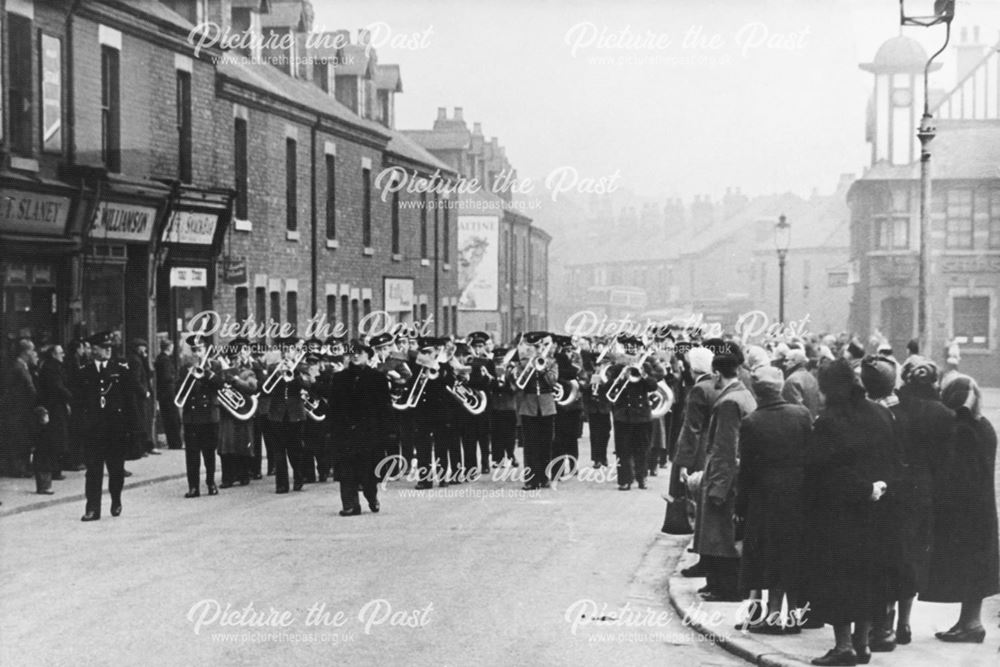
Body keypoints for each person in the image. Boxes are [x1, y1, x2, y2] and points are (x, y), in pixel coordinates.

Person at [803, 359, 898, 666]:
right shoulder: (881, 413)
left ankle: (844, 646)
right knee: (870, 575)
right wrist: (879, 487)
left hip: (841, 513)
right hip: (879, 510)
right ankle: (863, 643)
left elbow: (824, 470)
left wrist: (862, 489)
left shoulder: (829, 420)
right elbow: (895, 459)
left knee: (841, 577)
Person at [923, 374, 999, 644]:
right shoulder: (984, 425)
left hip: (965, 510)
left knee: (969, 565)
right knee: (975, 566)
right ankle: (968, 622)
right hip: (981, 509)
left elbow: (954, 473)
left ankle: (971, 624)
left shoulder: (962, 429)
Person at [735, 365, 811, 633]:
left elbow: (746, 469)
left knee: (768, 556)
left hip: (764, 498)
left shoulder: (752, 422)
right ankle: (791, 615)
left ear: (757, 391)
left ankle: (773, 615)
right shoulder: (801, 415)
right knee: (792, 554)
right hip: (798, 496)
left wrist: (740, 506)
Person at [693, 339, 756, 602]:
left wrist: (717, 487)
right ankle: (719, 585)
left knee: (721, 535)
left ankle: (726, 588)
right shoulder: (744, 395)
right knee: (725, 534)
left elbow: (725, 450)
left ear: (717, 374)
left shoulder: (728, 402)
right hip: (737, 475)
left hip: (725, 477)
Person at [78, 332, 139, 521]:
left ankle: (116, 500)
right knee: (93, 471)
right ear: (94, 350)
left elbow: (130, 400)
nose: (108, 351)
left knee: (116, 470)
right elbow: (79, 403)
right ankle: (93, 509)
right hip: (94, 431)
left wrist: (135, 429)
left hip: (116, 429)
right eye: (104, 348)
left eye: (109, 348)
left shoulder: (120, 369)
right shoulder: (84, 371)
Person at [329, 340, 390, 516]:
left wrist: (387, 432)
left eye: (360, 352)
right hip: (346, 433)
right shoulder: (339, 378)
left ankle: (371, 497)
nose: (355, 355)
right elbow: (333, 406)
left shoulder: (377, 378)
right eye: (352, 353)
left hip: (369, 433)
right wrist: (332, 429)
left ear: (368, 356)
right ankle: (350, 505)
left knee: (368, 472)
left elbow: (385, 407)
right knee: (347, 470)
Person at [674, 344, 717, 578]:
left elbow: (691, 430)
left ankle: (703, 556)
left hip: (701, 451)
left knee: (699, 500)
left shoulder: (699, 389)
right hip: (712, 449)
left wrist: (682, 462)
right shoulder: (717, 384)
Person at [602, 335, 666, 491]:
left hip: (642, 414)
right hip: (623, 414)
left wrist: (643, 374)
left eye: (635, 347)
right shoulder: (617, 367)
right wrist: (620, 377)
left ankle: (642, 477)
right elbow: (606, 388)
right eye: (629, 347)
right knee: (623, 449)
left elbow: (652, 386)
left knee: (642, 449)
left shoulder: (646, 365)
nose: (632, 350)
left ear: (639, 349)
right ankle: (624, 480)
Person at [509, 332, 559, 490]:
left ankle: (544, 477)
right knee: (530, 446)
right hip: (528, 406)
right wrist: (528, 367)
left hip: (546, 406)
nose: (538, 350)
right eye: (535, 347)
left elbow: (553, 381)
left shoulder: (551, 362)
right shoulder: (522, 363)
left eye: (541, 346)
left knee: (546, 444)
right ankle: (530, 479)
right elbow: (517, 385)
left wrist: (543, 368)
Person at [178, 334, 224, 498]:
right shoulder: (185, 368)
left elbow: (220, 385)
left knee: (209, 452)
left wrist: (207, 373)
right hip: (191, 416)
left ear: (206, 349)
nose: (197, 353)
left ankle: (211, 483)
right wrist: (190, 375)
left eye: (200, 349)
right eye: (194, 350)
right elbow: (179, 392)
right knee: (192, 454)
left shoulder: (215, 365)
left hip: (209, 415)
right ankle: (193, 487)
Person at [263, 336, 312, 493]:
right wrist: (278, 373)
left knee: (295, 449)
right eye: (285, 350)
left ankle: (298, 478)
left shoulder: (302, 368)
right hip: (277, 414)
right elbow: (265, 388)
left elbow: (307, 385)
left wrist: (294, 371)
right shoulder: (273, 368)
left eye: (291, 350)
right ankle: (282, 484)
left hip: (295, 414)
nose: (287, 353)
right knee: (278, 451)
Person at [217, 338, 258, 488]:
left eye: (238, 358)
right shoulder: (223, 372)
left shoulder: (248, 372)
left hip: (243, 412)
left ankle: (243, 475)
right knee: (227, 446)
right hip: (228, 413)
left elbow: (252, 387)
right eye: (233, 358)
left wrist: (235, 380)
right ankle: (227, 477)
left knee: (242, 445)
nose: (236, 361)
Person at [0, 338, 39, 478]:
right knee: (19, 440)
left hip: (24, 410)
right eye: (32, 350)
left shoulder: (24, 367)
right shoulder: (17, 367)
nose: (34, 353)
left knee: (24, 440)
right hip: (18, 411)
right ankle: (18, 469)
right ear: (26, 352)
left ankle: (22, 468)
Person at [36, 344, 73, 492]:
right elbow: (58, 387)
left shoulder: (55, 366)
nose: (63, 355)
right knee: (55, 438)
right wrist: (72, 397)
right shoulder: (51, 368)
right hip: (54, 408)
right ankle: (54, 470)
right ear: (53, 354)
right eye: (60, 352)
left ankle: (55, 469)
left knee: (58, 438)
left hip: (58, 406)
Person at [580, 336, 612, 468]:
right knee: (595, 432)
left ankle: (603, 456)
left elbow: (612, 386)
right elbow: (583, 386)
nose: (599, 367)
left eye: (602, 364)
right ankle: (596, 458)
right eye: (597, 364)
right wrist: (590, 382)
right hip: (593, 405)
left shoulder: (608, 373)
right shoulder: (588, 372)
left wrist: (604, 381)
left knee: (606, 432)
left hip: (604, 405)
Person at [489, 346, 518, 467]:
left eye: (502, 359)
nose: (500, 362)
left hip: (509, 405)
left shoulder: (512, 369)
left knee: (510, 434)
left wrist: (505, 380)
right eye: (497, 359)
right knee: (496, 434)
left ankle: (511, 455)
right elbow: (488, 385)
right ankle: (498, 459)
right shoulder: (490, 369)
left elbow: (515, 387)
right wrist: (495, 380)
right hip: (495, 405)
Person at [127, 339, 156, 459]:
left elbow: (148, 373)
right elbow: (136, 379)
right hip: (139, 397)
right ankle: (142, 448)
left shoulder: (138, 359)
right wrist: (145, 392)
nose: (145, 350)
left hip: (140, 396)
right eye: (143, 347)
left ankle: (144, 447)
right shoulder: (136, 361)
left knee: (144, 422)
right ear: (138, 348)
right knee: (142, 422)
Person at [155, 339, 183, 450]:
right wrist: (175, 378)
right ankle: (175, 443)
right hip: (168, 393)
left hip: (164, 393)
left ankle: (174, 442)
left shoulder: (160, 359)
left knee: (169, 419)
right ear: (169, 347)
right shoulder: (165, 360)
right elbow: (167, 377)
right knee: (173, 419)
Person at [781, 347, 821, 419]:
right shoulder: (811, 377)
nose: (784, 363)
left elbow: (796, 409)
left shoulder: (791, 381)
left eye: (786, 360)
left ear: (795, 361)